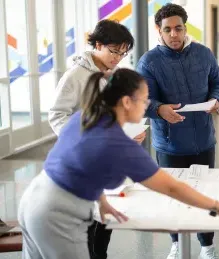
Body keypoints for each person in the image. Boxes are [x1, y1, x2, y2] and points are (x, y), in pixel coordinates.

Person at [18, 68, 219, 259]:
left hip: (32, 202)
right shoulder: (118, 142)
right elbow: (171, 187)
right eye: (144, 100)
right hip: (58, 216)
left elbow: (80, 164)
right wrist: (215, 205)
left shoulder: (87, 116)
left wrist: (101, 199)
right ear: (126, 102)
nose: (146, 106)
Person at [47, 19, 146, 259]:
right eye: (114, 51)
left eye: (123, 53)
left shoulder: (111, 76)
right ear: (98, 44)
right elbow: (56, 115)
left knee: (104, 224)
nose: (118, 57)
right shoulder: (76, 76)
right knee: (87, 227)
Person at [136, 3, 219, 259]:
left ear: (185, 28)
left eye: (178, 28)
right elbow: (143, 100)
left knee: (204, 194)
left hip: (204, 141)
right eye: (168, 30)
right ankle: (176, 243)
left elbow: (217, 82)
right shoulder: (149, 62)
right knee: (173, 196)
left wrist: (216, 99)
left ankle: (207, 245)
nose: (174, 34)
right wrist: (160, 108)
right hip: (170, 144)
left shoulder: (203, 53)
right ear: (159, 30)